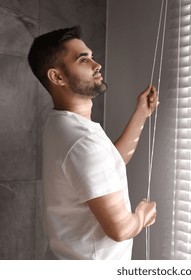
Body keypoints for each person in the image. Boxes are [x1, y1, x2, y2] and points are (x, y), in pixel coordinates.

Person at [28, 26, 157, 259]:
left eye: (91, 56)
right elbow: (120, 229)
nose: (96, 65)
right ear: (57, 76)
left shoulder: (61, 124)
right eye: (83, 59)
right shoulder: (82, 141)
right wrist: (142, 217)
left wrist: (141, 114)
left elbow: (108, 164)